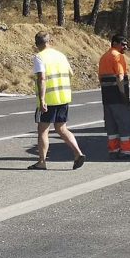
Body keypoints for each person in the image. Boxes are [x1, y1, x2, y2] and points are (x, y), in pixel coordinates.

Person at [29, 31, 85, 170]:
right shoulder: (60, 55)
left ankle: (42, 162)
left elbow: (42, 78)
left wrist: (42, 100)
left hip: (48, 99)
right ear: (49, 41)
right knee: (61, 128)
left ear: (37, 44)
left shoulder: (39, 57)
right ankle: (78, 153)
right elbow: (71, 73)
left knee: (43, 130)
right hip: (64, 97)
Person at [99, 34, 130, 160]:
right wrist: (123, 95)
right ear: (115, 43)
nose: (126, 47)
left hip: (107, 98)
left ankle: (114, 150)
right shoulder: (118, 56)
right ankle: (127, 152)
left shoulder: (104, 57)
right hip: (118, 97)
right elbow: (120, 77)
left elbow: (101, 79)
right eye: (123, 44)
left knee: (111, 126)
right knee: (124, 124)